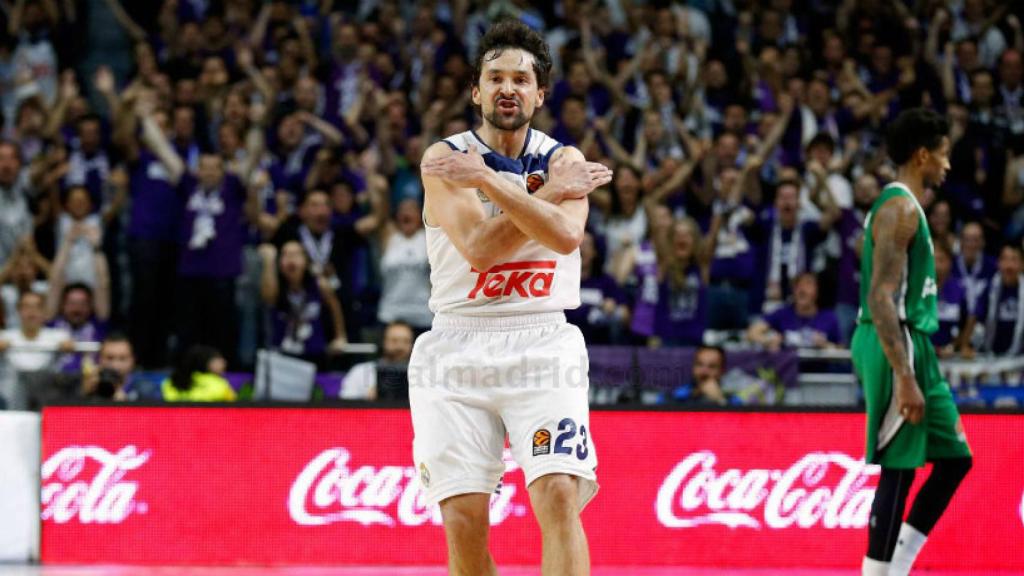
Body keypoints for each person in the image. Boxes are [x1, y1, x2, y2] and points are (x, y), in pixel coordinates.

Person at [414, 20, 612, 576]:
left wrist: (491, 181)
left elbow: (565, 236)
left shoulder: (564, 157)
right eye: (495, 77)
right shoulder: (445, 158)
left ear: (539, 94)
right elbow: (479, 248)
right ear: (475, 91)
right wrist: (544, 195)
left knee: (557, 496)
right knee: (464, 526)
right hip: (457, 341)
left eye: (520, 80)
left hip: (543, 339)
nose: (508, 88)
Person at [851, 109, 972, 576]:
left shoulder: (908, 207)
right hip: (893, 340)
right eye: (943, 155)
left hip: (914, 341)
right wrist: (903, 376)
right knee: (899, 467)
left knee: (955, 460)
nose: (947, 165)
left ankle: (897, 565)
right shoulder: (899, 208)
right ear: (923, 155)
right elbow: (880, 296)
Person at [258, 241, 346, 367]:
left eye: (295, 255)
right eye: (285, 255)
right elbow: (267, 298)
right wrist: (269, 262)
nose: (290, 260)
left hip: (314, 354)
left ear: (306, 261)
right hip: (282, 355)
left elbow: (335, 307)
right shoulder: (276, 287)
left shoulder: (319, 285)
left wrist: (340, 336)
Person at [0, 291, 74, 409]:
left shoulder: (59, 336)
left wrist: (68, 346)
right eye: (26, 307)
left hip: (45, 398)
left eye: (37, 307)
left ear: (45, 312)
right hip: (10, 401)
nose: (31, 312)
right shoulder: (4, 336)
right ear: (18, 311)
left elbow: (70, 345)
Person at [747, 272, 841, 350]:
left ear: (817, 290)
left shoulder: (828, 317)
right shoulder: (783, 313)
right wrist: (767, 340)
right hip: (788, 370)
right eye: (798, 285)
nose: (802, 290)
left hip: (818, 371)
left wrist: (825, 345)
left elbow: (841, 349)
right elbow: (752, 332)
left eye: (808, 285)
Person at [340, 321, 414, 400]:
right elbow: (344, 403)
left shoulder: (422, 373)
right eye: (394, 340)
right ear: (383, 342)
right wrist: (366, 399)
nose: (400, 346)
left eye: (406, 341)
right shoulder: (360, 371)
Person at [977, 243, 1024, 356]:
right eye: (1005, 259)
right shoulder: (989, 288)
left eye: (1014, 260)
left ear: (1022, 264)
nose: (1009, 265)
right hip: (991, 355)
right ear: (998, 263)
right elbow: (975, 318)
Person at [161, 345, 236, 402]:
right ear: (206, 363)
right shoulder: (220, 385)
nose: (224, 363)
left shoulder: (169, 382)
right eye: (218, 359)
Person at [668, 345, 736, 406]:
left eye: (712, 366)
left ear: (722, 371)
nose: (704, 371)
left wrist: (720, 400)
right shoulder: (677, 394)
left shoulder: (732, 397)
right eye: (699, 364)